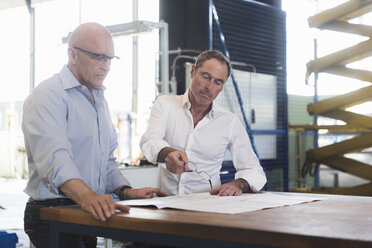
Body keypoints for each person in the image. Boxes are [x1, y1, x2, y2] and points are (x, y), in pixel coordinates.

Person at [22, 22, 167, 248]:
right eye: (99, 57)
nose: (106, 66)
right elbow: (55, 159)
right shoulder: (48, 95)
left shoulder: (98, 99)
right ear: (73, 54)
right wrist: (89, 198)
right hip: (52, 212)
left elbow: (106, 162)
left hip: (84, 209)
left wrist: (127, 191)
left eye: (110, 59)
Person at [140, 50, 267, 196]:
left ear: (222, 87)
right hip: (166, 204)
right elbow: (149, 140)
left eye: (218, 82)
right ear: (193, 72)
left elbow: (253, 170)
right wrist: (167, 153)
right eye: (206, 77)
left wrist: (238, 184)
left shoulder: (230, 122)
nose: (209, 86)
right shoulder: (165, 105)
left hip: (208, 207)